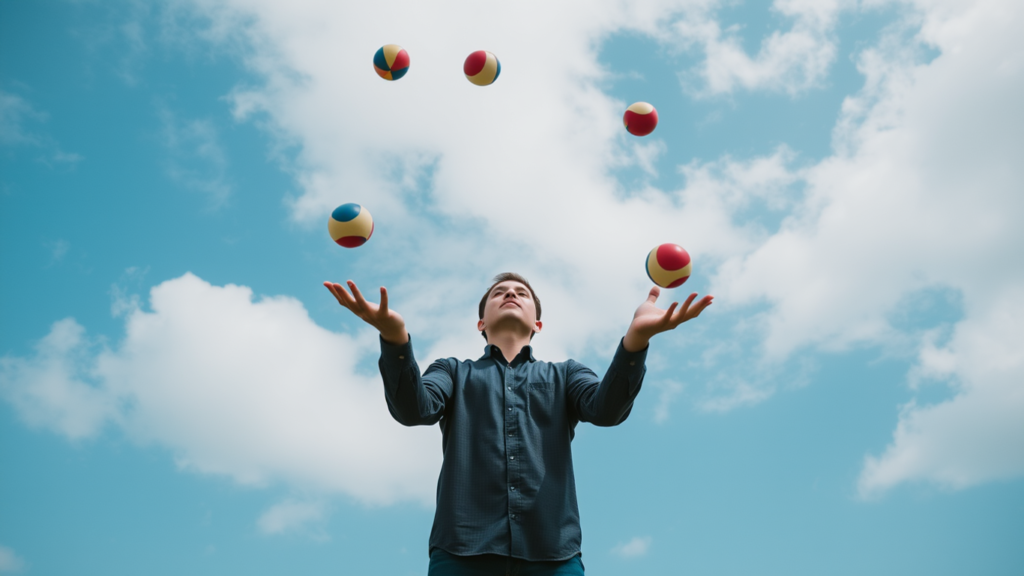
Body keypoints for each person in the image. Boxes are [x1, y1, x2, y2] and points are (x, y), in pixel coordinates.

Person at [324, 273, 713, 575]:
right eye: (500, 292)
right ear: (481, 323)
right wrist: (394, 338)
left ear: (538, 325)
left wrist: (636, 340)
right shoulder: (452, 371)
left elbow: (607, 410)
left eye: (521, 293)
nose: (510, 294)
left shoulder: (566, 374)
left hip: (554, 555)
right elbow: (414, 410)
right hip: (462, 551)